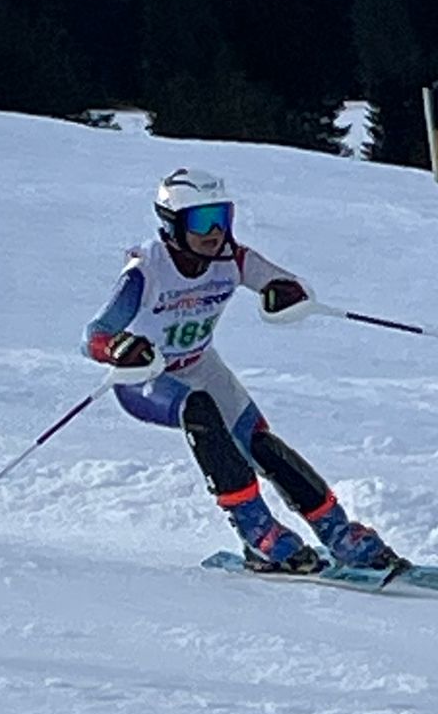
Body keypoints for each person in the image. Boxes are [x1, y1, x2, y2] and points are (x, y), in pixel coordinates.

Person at [83, 166, 401, 572]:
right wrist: (116, 347)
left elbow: (288, 285)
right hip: (146, 378)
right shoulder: (147, 270)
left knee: (259, 442)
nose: (215, 232)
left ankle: (339, 532)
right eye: (201, 221)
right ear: (173, 224)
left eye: (221, 217)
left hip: (201, 365)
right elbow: (93, 335)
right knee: (199, 412)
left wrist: (286, 294)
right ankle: (258, 533)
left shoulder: (231, 258)